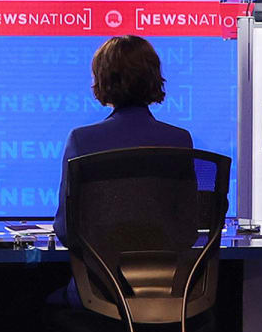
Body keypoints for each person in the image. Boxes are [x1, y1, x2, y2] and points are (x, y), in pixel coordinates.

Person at [53, 35, 193, 244]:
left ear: (102, 80)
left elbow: (66, 229)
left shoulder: (82, 140)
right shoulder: (179, 140)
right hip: (170, 275)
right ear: (154, 77)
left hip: (98, 274)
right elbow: (189, 227)